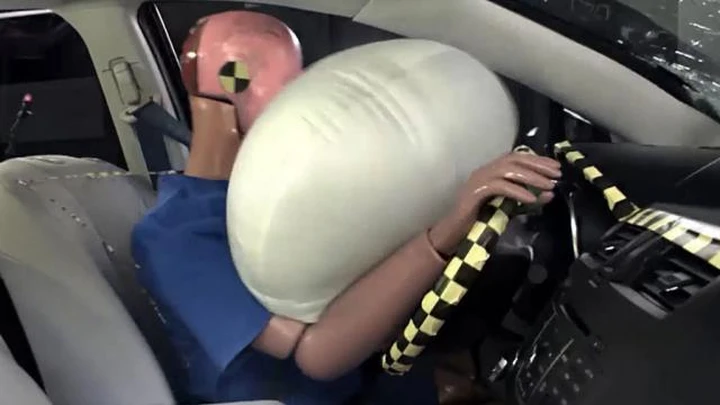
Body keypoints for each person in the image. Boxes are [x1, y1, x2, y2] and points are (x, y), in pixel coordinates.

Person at [132, 11, 562, 405]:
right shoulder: (175, 238)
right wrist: (443, 234)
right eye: (290, 80)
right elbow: (316, 355)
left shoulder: (307, 185)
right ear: (234, 82)